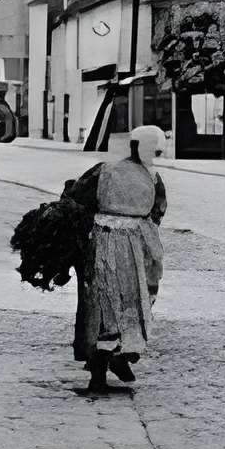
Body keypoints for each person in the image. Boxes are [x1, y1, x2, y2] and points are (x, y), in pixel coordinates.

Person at [67, 124, 167, 394]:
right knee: (132, 302)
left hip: (101, 243)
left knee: (101, 306)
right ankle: (120, 356)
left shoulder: (104, 170)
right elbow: (158, 212)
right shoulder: (153, 178)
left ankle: (101, 368)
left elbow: (77, 198)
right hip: (135, 246)